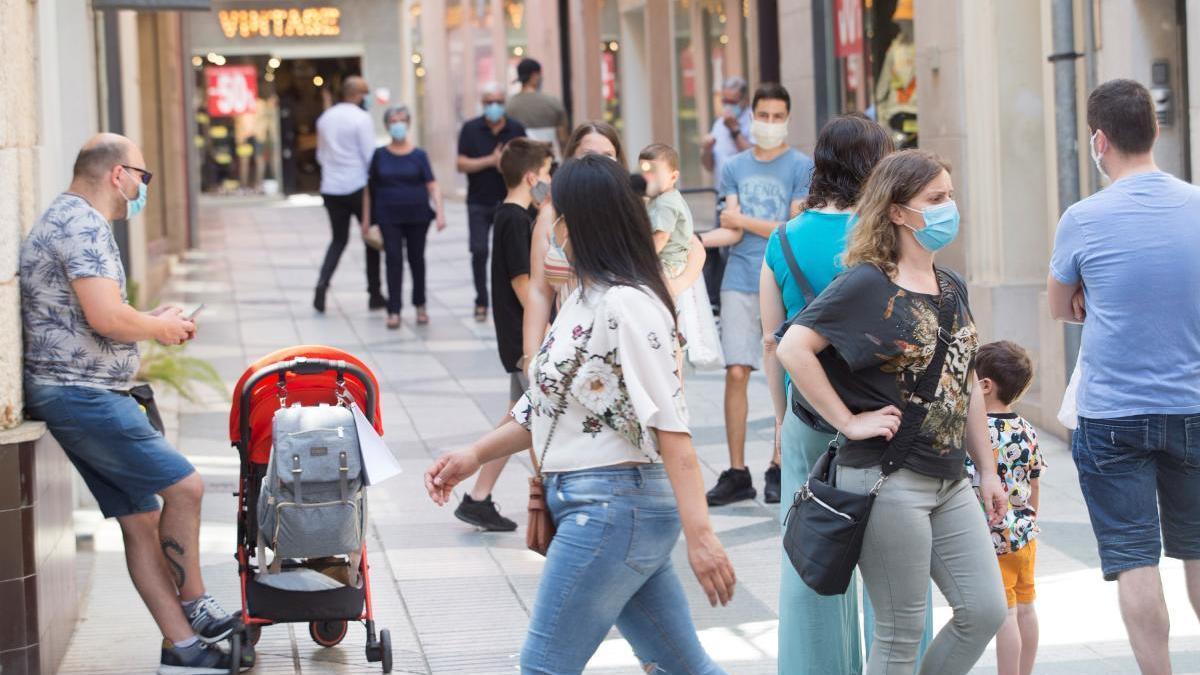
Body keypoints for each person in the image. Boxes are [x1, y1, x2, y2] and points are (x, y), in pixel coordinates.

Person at [424, 154, 735, 674]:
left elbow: (672, 430)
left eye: (555, 213)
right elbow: (544, 404)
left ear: (577, 222)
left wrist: (702, 537)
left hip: (613, 508)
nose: (548, 226)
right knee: (682, 666)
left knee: (544, 666)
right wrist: (473, 455)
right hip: (609, 509)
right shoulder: (583, 299)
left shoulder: (628, 305)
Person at [777, 149, 1009, 675]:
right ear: (899, 212)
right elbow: (793, 348)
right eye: (936, 199)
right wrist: (848, 420)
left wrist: (989, 469)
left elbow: (965, 382)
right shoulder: (867, 283)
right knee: (901, 631)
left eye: (950, 195)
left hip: (950, 480)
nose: (949, 207)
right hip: (887, 478)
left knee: (985, 611)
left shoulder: (951, 286)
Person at [21, 134, 241, 674]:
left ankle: (182, 649)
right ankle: (197, 604)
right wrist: (159, 328)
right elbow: (106, 318)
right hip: (83, 394)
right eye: (143, 177)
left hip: (79, 390)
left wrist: (150, 317)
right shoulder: (82, 224)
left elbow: (102, 311)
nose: (143, 190)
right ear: (118, 174)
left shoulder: (70, 218)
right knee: (185, 486)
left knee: (141, 519)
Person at [1048, 78, 1200, 675]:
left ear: (1099, 139)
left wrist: (1094, 294)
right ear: (1155, 131)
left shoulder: (1083, 219)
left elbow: (1061, 307)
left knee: (1136, 559)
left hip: (1113, 415)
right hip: (1194, 406)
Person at [761, 114, 895, 673]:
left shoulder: (783, 239)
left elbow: (774, 342)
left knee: (812, 562)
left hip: (809, 417)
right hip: (885, 417)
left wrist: (778, 418)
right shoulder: (887, 233)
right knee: (893, 571)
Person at [697, 83, 813, 506]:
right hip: (740, 274)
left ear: (787, 118)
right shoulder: (733, 167)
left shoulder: (803, 167)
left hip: (784, 277)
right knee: (736, 371)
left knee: (783, 373)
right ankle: (736, 470)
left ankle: (779, 463)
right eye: (761, 115)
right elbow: (730, 226)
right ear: (751, 117)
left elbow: (790, 227)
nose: (767, 123)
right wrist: (695, 243)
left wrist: (743, 218)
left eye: (775, 116)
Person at [523, 122, 707, 365]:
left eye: (608, 155)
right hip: (575, 348)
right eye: (589, 155)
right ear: (571, 160)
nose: (599, 163)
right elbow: (539, 290)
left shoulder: (636, 207)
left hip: (636, 346)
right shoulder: (552, 215)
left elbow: (692, 246)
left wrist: (675, 284)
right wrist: (530, 357)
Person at [454, 138, 554, 532]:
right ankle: (549, 501)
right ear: (531, 177)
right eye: (546, 173)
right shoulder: (515, 218)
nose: (549, 181)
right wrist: (547, 330)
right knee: (536, 418)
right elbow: (522, 283)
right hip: (522, 340)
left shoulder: (512, 214)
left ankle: (477, 498)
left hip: (518, 337)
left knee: (519, 416)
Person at [964, 341, 1043, 675]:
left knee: (1006, 614)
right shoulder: (1027, 430)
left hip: (993, 538)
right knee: (1026, 609)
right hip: (1025, 536)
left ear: (985, 386)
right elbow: (1035, 482)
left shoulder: (978, 432)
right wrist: (1029, 519)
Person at [365, 105, 446, 329]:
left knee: (416, 260)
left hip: (418, 214)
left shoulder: (419, 155)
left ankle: (420, 305)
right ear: (387, 125)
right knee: (393, 261)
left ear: (408, 124)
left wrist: (440, 212)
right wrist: (366, 220)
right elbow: (368, 190)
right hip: (387, 214)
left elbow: (432, 184)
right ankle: (394, 310)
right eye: (393, 120)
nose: (397, 124)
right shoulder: (379, 155)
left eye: (401, 120)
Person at [314, 75, 385, 313]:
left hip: (331, 188)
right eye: (366, 93)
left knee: (338, 239)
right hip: (358, 188)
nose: (368, 98)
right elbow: (369, 157)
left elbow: (320, 156)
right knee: (371, 239)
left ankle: (322, 285)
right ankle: (375, 293)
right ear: (356, 94)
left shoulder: (325, 118)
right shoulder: (361, 118)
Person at [457, 82, 527, 322]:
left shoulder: (516, 128)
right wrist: (490, 161)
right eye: (489, 102)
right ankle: (481, 301)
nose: (494, 106)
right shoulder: (470, 129)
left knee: (513, 255)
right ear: (482, 103)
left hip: (510, 202)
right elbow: (461, 163)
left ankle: (511, 300)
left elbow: (526, 164)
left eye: (498, 101)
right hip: (479, 200)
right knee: (479, 251)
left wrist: (505, 164)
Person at [638, 143, 694, 292]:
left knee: (652, 292)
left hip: (668, 263)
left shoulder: (666, 204)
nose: (647, 178)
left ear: (673, 177)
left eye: (654, 173)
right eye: (644, 172)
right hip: (668, 259)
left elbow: (661, 237)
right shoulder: (662, 197)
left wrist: (642, 259)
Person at [507, 58, 569, 155]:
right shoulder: (553, 102)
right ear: (535, 76)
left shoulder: (509, 104)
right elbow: (563, 139)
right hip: (548, 160)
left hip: (519, 163)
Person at [701, 76, 754, 182]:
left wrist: (735, 130)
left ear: (745, 100)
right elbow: (709, 167)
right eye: (725, 101)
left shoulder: (755, 120)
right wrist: (707, 149)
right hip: (722, 193)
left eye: (732, 102)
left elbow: (755, 158)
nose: (728, 106)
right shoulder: (719, 124)